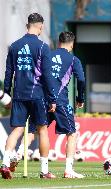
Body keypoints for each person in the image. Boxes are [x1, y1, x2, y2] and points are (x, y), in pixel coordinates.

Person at [0, 13, 56, 179]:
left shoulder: (15, 46)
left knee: (17, 129)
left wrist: (8, 94)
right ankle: (44, 171)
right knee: (42, 130)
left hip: (19, 94)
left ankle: (5, 163)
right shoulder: (42, 47)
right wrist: (52, 98)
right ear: (40, 26)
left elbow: (8, 72)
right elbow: (47, 75)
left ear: (27, 25)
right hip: (37, 94)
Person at [48, 31, 85, 178]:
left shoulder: (47, 56)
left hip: (43, 98)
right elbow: (81, 80)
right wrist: (80, 98)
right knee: (72, 133)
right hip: (60, 101)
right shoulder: (73, 59)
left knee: (37, 130)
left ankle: (16, 156)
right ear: (72, 44)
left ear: (58, 42)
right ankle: (68, 170)